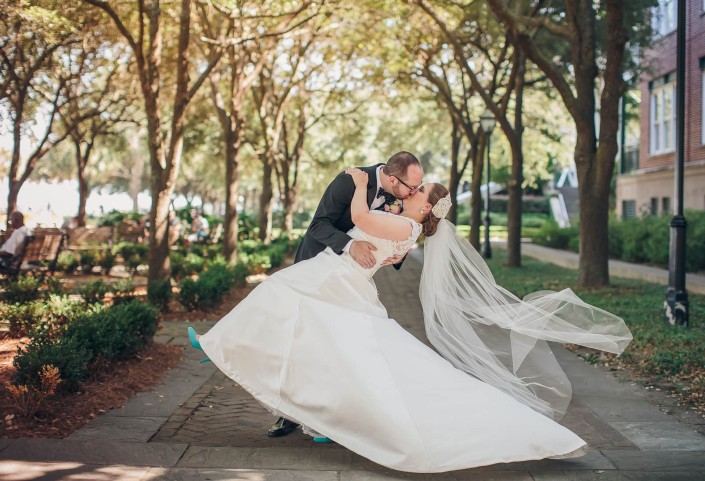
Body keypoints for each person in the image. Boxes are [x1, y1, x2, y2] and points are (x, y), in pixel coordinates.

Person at [187, 168, 632, 473]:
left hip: (339, 282)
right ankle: (315, 416)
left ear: (425, 206)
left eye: (418, 193)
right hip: (340, 281)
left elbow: (360, 217)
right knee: (320, 345)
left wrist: (360, 182)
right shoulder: (409, 229)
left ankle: (217, 346)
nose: (410, 193)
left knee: (282, 303)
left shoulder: (404, 229)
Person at [270, 151, 424, 437]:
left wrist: (398, 254)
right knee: (301, 343)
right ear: (392, 179)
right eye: (411, 187)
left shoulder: (399, 198)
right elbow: (318, 225)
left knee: (337, 348)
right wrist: (349, 246)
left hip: (351, 282)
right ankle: (289, 413)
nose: (413, 193)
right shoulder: (350, 182)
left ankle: (330, 416)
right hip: (317, 269)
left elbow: (391, 235)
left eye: (417, 189)